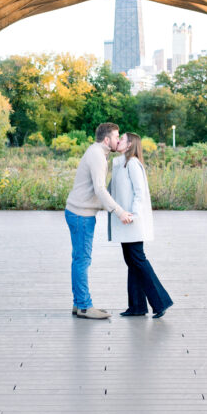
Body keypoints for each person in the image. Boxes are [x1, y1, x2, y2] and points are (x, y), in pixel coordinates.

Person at [65, 122, 134, 319]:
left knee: (80, 259)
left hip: (79, 213)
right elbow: (100, 189)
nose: (119, 140)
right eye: (116, 136)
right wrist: (119, 212)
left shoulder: (98, 152)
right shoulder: (97, 155)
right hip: (81, 214)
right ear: (107, 139)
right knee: (82, 260)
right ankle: (85, 306)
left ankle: (79, 303)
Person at [109, 133, 173, 318]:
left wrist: (134, 215)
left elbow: (140, 193)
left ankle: (161, 302)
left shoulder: (133, 164)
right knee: (132, 262)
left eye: (122, 138)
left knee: (138, 260)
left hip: (132, 221)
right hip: (124, 221)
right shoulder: (120, 163)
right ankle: (137, 306)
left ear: (130, 145)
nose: (119, 140)